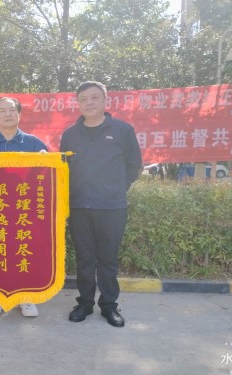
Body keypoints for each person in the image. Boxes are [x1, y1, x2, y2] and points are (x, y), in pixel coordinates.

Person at [60, 81, 142, 327]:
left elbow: (133, 164)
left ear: (106, 100)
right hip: (78, 207)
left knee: (108, 259)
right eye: (83, 99)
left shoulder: (122, 130)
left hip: (112, 207)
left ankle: (109, 305)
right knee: (84, 258)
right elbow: (63, 169)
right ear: (78, 103)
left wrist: (118, 188)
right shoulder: (70, 134)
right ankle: (85, 303)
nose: (89, 103)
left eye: (94, 97)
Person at [0, 96, 48, 317]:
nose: (8, 114)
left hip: (25, 210)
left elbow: (48, 177)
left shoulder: (34, 144)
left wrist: (47, 161)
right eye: (2, 111)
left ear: (19, 114)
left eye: (12, 110)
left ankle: (26, 297)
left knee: (25, 252)